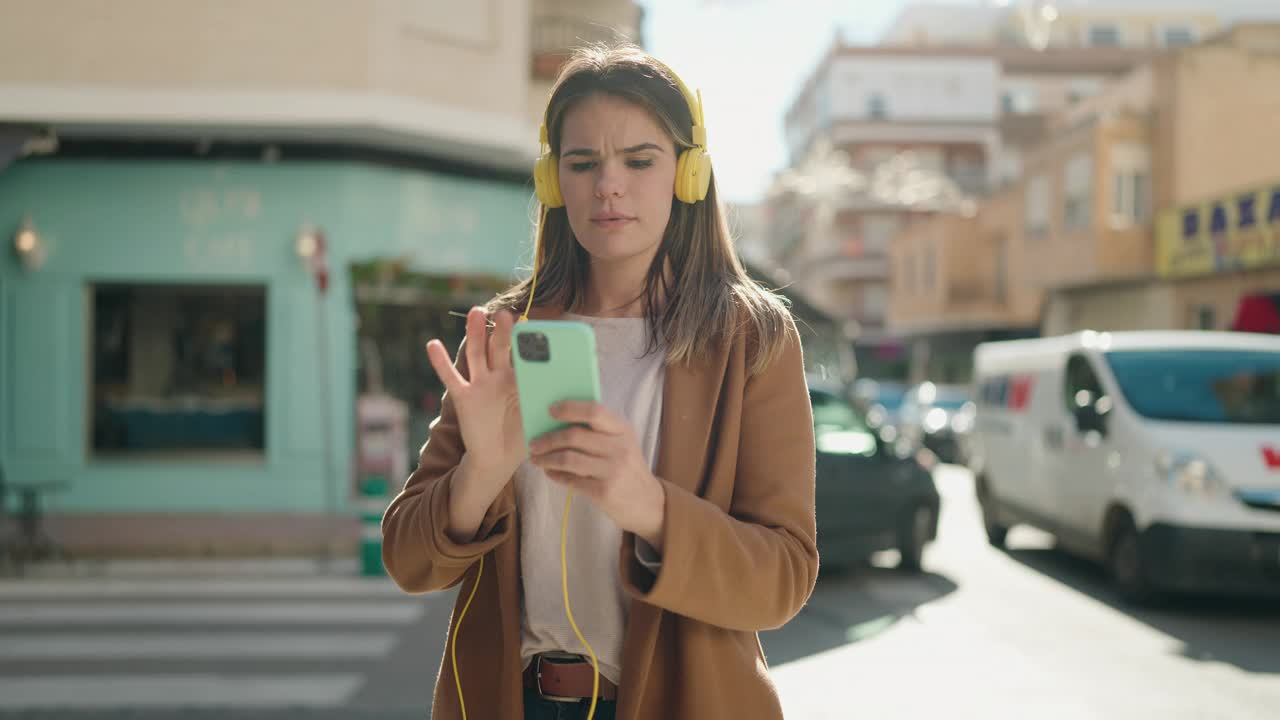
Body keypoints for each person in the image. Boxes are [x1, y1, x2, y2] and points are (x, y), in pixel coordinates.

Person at [381, 42, 818, 720]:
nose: (607, 185)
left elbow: (783, 581)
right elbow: (409, 561)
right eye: (581, 163)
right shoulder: (504, 335)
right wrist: (481, 476)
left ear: (688, 174)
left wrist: (647, 505)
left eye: (639, 161)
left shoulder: (752, 338)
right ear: (555, 183)